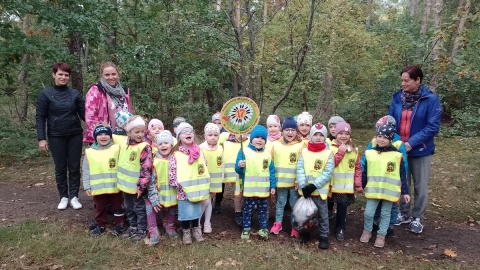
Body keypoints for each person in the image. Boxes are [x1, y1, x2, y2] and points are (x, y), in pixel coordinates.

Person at [389, 65, 442, 234]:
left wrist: (412, 142)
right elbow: (391, 121)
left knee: (420, 185)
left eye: (406, 80)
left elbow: (433, 126)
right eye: (401, 80)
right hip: (399, 149)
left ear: (417, 80)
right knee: (401, 183)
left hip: (421, 150)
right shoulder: (398, 98)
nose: (403, 84)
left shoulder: (430, 99)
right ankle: (403, 214)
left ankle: (417, 217)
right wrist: (394, 141)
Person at [35, 62, 85, 210]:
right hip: (56, 136)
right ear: (54, 75)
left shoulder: (74, 94)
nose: (63, 77)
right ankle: (63, 196)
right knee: (60, 167)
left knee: (75, 167)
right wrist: (41, 138)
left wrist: (97, 125)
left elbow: (84, 114)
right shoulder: (45, 94)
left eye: (66, 75)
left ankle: (74, 196)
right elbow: (40, 117)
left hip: (75, 134)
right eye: (60, 74)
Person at [360, 124, 411, 248]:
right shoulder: (370, 153)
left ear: (390, 139)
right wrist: (361, 185)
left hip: (389, 191)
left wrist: (405, 192)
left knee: (385, 214)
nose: (381, 139)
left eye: (385, 137)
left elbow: (401, 174)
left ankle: (381, 235)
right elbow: (365, 172)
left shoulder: (396, 155)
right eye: (379, 136)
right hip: (373, 190)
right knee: (368, 213)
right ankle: (367, 230)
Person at [169, 122, 211, 244]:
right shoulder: (176, 153)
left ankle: (196, 230)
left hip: (197, 188)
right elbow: (172, 169)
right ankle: (186, 232)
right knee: (185, 212)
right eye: (184, 132)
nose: (188, 133)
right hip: (183, 190)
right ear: (178, 137)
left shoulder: (199, 151)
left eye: (190, 131)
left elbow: (205, 165)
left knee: (196, 211)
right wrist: (176, 182)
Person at [82, 124, 124, 237]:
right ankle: (100, 224)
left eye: (106, 134)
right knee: (100, 207)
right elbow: (86, 170)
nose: (103, 137)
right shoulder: (90, 152)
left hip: (114, 186)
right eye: (100, 134)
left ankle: (119, 224)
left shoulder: (116, 148)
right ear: (95, 137)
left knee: (117, 206)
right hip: (98, 187)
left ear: (110, 136)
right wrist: (87, 186)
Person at [235, 125, 276, 240]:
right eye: (257, 137)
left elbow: (271, 171)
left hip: (263, 190)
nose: (260, 140)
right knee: (247, 210)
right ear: (251, 138)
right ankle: (246, 228)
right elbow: (238, 170)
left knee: (263, 210)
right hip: (249, 189)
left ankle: (263, 228)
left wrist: (273, 185)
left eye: (263, 138)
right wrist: (240, 165)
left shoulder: (267, 154)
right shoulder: (244, 151)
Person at [297, 123, 334, 249]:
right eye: (315, 135)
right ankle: (305, 233)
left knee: (323, 215)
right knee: (306, 215)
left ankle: (324, 236)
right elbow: (300, 169)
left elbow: (327, 173)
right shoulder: (304, 152)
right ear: (311, 136)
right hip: (306, 192)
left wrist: (314, 186)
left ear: (325, 137)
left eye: (321, 135)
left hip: (319, 192)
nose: (318, 137)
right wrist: (304, 186)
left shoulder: (328, 153)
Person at [117, 115, 152, 242]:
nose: (140, 134)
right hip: (126, 186)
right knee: (128, 206)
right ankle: (132, 226)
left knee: (139, 208)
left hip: (138, 186)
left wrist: (142, 185)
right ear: (129, 132)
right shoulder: (124, 144)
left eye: (142, 131)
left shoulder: (144, 147)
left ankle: (142, 228)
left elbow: (146, 168)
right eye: (137, 132)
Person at [270, 117, 303, 237]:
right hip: (280, 182)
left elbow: (302, 165)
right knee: (280, 202)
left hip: (294, 183)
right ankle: (278, 223)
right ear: (282, 131)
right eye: (287, 130)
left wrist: (298, 179)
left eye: (293, 130)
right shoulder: (276, 145)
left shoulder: (300, 146)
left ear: (296, 131)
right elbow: (271, 163)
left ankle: (294, 225)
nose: (290, 133)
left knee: (294, 204)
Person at [329, 121, 363, 241]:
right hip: (331, 186)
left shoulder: (354, 151)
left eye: (346, 133)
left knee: (342, 208)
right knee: (329, 206)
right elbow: (330, 164)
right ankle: (326, 226)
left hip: (345, 188)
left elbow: (358, 167)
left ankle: (340, 228)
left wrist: (358, 183)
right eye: (340, 133)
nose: (343, 136)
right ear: (335, 134)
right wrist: (341, 152)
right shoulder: (330, 148)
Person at [84, 61, 131, 144]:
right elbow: (90, 117)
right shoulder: (95, 91)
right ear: (102, 76)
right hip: (104, 137)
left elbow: (129, 113)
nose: (111, 77)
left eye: (113, 74)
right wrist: (100, 135)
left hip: (123, 137)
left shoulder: (123, 92)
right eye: (107, 75)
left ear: (118, 75)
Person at [147, 131, 179, 244]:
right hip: (155, 191)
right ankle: (152, 228)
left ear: (171, 144)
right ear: (156, 146)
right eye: (160, 144)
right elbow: (150, 181)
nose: (163, 145)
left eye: (166, 143)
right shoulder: (153, 160)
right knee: (149, 205)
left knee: (172, 207)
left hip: (172, 192)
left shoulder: (176, 159)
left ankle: (170, 225)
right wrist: (153, 196)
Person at [219, 133, 248, 224]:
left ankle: (246, 210)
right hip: (234, 173)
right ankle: (238, 212)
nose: (241, 135)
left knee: (245, 193)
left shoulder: (250, 141)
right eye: (238, 133)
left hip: (246, 173)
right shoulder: (226, 142)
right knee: (238, 194)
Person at [199, 123, 223, 234]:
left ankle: (207, 223)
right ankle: (197, 222)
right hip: (203, 180)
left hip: (215, 181)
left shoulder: (220, 149)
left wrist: (222, 177)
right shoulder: (200, 148)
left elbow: (222, 163)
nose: (213, 137)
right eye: (210, 135)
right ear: (205, 136)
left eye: (215, 135)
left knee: (209, 202)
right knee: (205, 200)